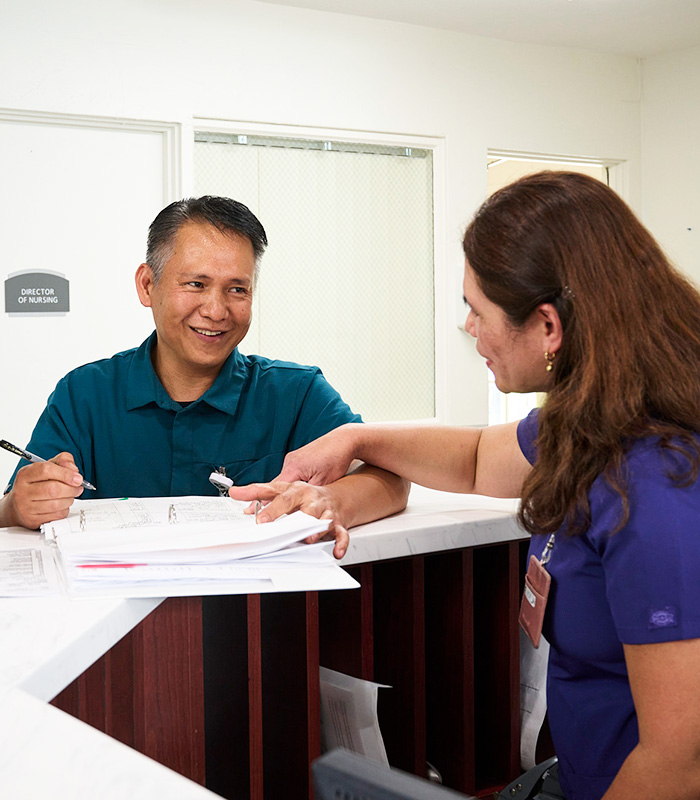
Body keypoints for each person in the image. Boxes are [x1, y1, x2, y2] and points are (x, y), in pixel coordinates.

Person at [266, 172, 700, 799]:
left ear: (548, 326)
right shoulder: (594, 420)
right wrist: (356, 440)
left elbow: (679, 761)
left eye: (477, 308)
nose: (469, 328)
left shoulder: (658, 484)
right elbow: (473, 459)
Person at [0, 196, 408, 556]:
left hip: (255, 620)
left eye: (237, 289)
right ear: (147, 285)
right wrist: (18, 506)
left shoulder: (296, 393)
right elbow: (15, 506)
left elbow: (389, 477)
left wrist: (334, 500)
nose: (216, 310)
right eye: (196, 284)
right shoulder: (84, 394)